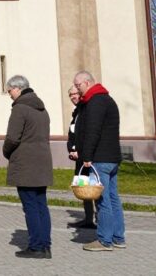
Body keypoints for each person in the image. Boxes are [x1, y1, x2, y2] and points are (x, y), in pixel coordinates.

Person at [74, 71, 126, 252]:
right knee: (113, 199)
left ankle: (105, 240)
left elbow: (92, 131)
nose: (77, 90)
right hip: (112, 158)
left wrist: (86, 156)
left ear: (87, 82)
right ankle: (118, 237)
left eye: (78, 85)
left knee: (103, 201)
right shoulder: (107, 99)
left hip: (101, 159)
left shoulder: (96, 102)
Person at [2, 75, 53, 259]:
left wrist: (6, 151)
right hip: (42, 162)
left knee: (30, 206)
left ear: (17, 88)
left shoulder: (20, 109)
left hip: (26, 164)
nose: (9, 95)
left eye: (10, 91)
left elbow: (12, 138)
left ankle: (36, 246)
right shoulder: (42, 109)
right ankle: (45, 244)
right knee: (41, 205)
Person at [66, 85, 95, 229]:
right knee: (83, 188)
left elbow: (87, 135)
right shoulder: (76, 113)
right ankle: (88, 219)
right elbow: (72, 135)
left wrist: (81, 151)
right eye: (70, 95)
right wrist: (71, 149)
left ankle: (99, 220)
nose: (73, 97)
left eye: (75, 94)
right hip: (79, 159)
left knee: (94, 188)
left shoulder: (86, 110)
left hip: (88, 159)